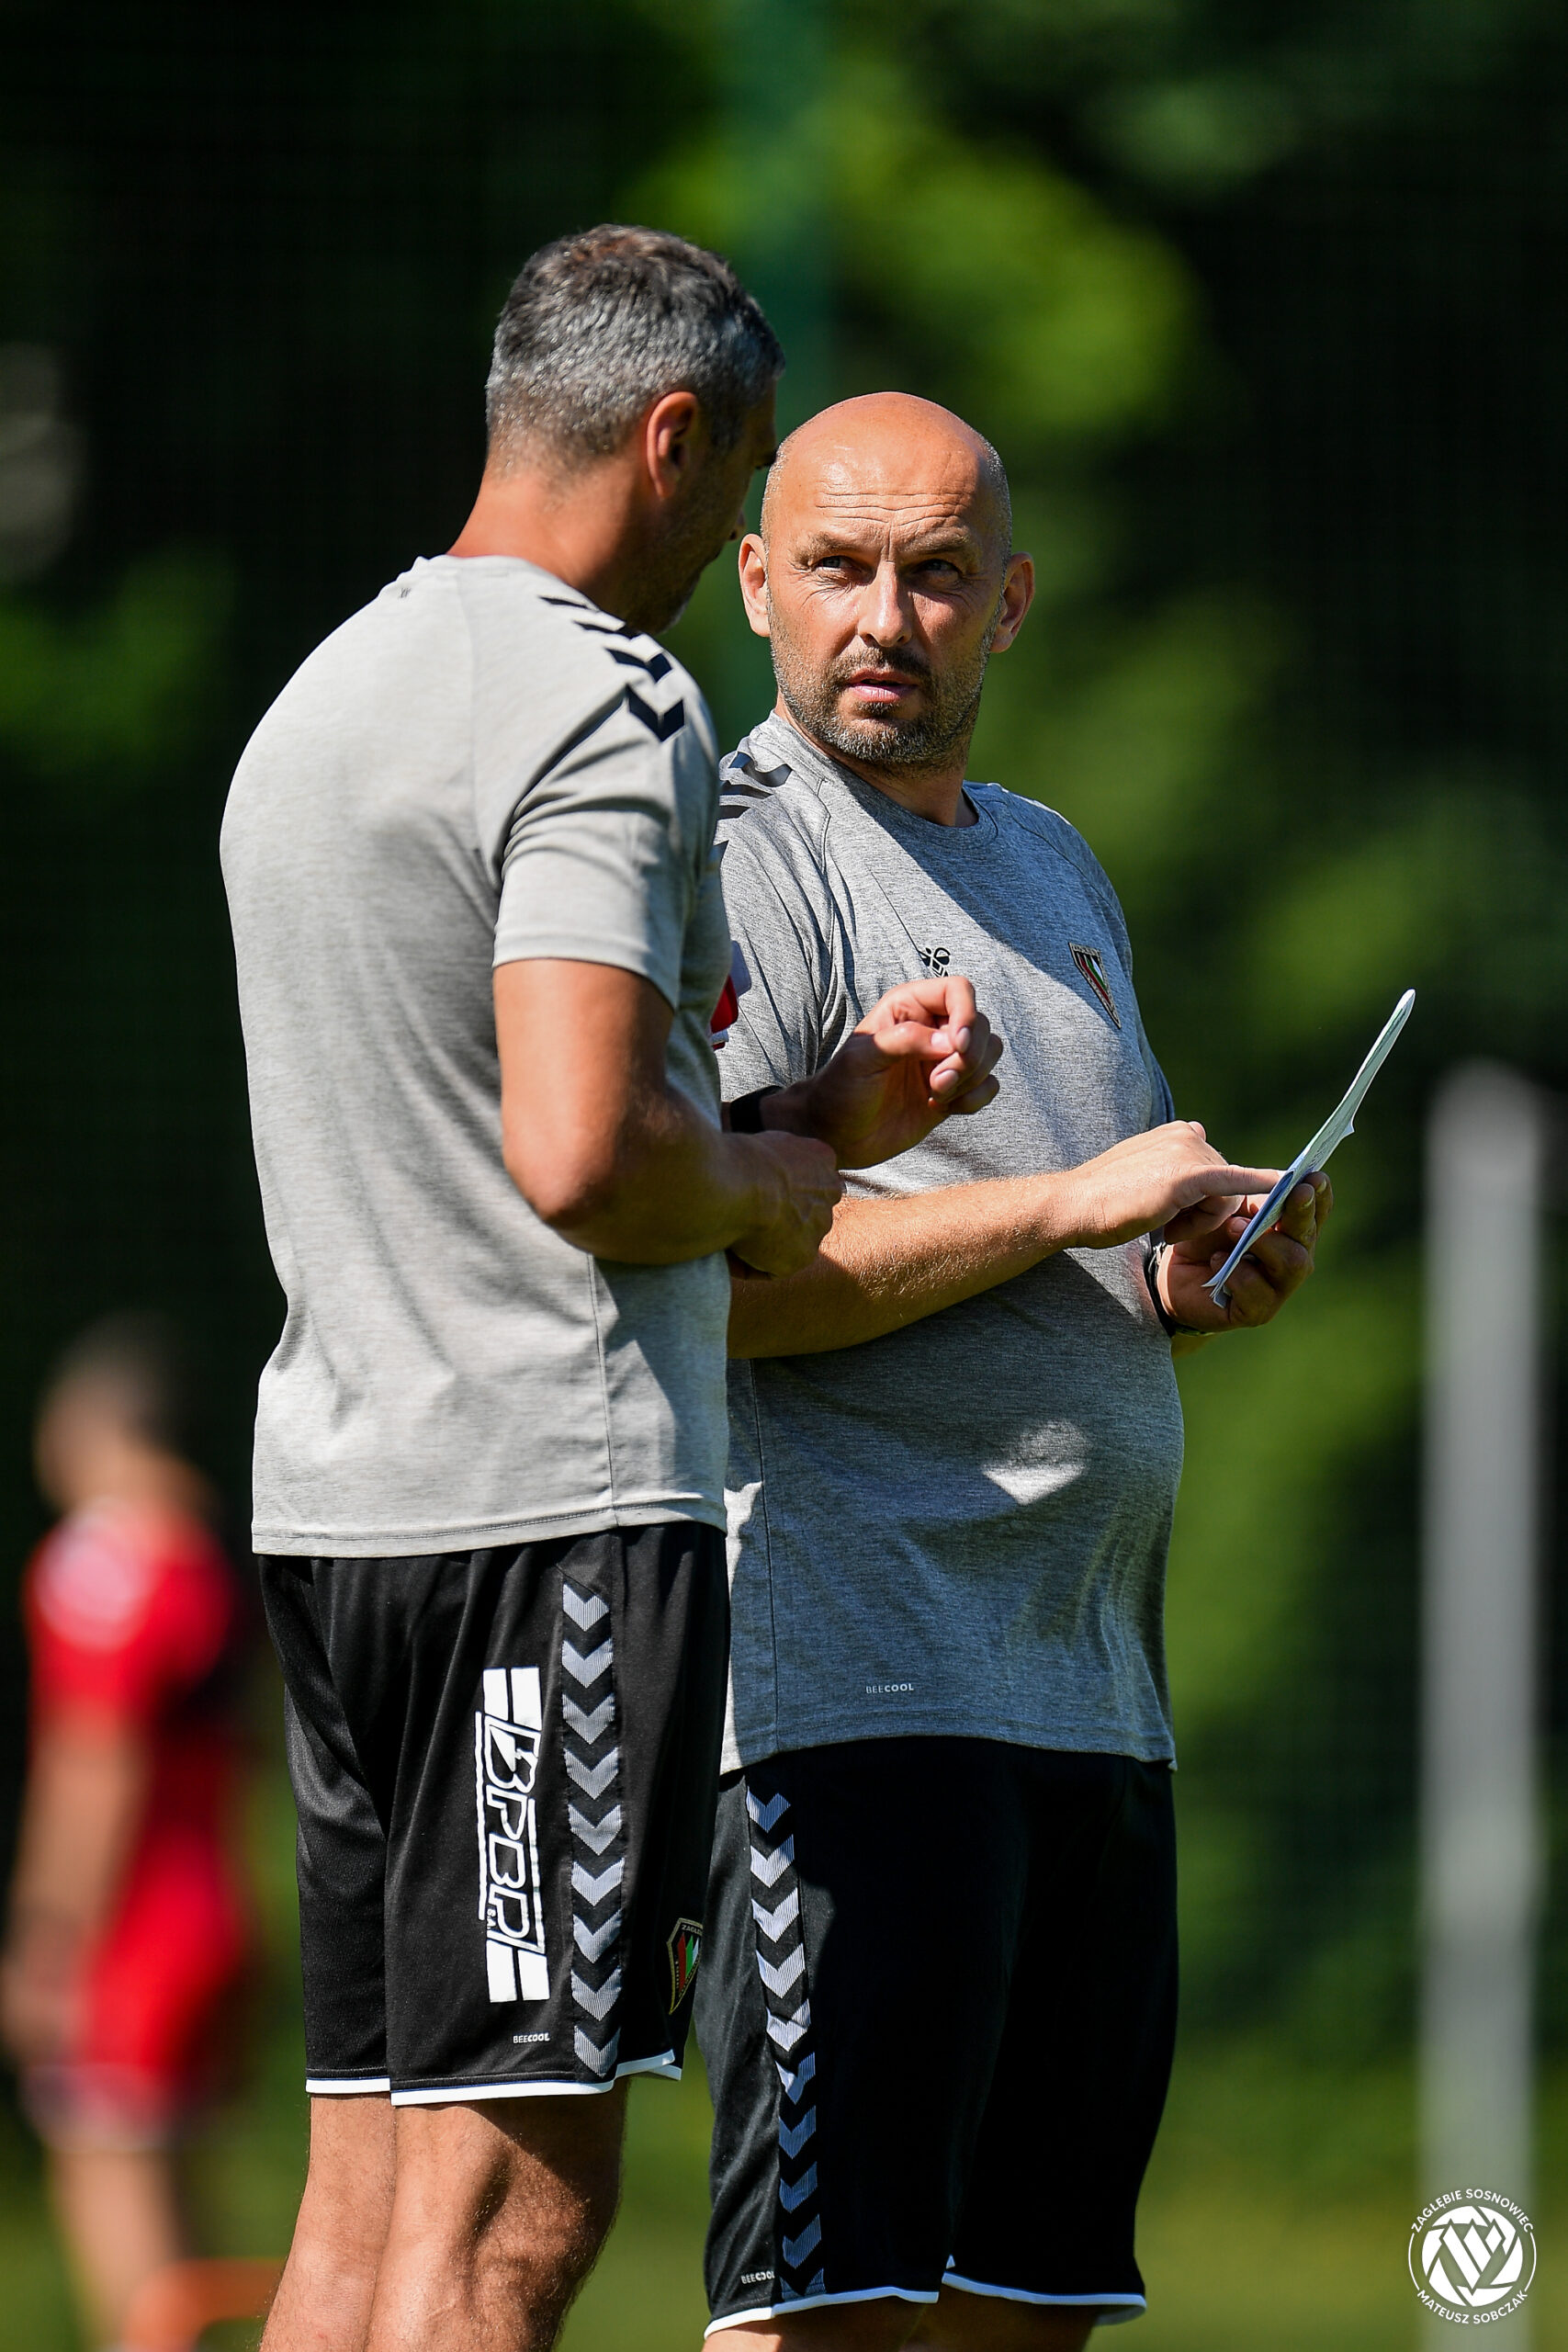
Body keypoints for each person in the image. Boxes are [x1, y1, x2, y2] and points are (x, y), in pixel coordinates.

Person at [220, 234, 999, 2352]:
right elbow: (580, 1159)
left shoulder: (326, 691)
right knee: (504, 2221)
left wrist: (809, 1111)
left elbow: (483, 1115)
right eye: (740, 477)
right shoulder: (602, 691)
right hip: (539, 1529)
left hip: (341, 1513)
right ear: (674, 442)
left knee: (362, 2207)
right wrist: (771, 1177)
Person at [694, 392, 1333, 2350]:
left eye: (936, 573)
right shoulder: (739, 852)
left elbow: (1088, 1239)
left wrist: (1189, 1271)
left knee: (1023, 2309)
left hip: (1088, 1688)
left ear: (1012, 600)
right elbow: (733, 1284)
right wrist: (1072, 1202)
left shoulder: (1051, 863)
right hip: (855, 1680)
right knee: (830, 2312)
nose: (883, 617)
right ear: (755, 583)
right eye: (837, 567)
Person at [1, 1314, 253, 2352]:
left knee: (131, 2271)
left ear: (85, 1425)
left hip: (128, 1934)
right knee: (188, 2248)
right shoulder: (209, 1555)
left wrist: (49, 1937)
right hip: (213, 1910)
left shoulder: (100, 1561)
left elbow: (94, 1763)